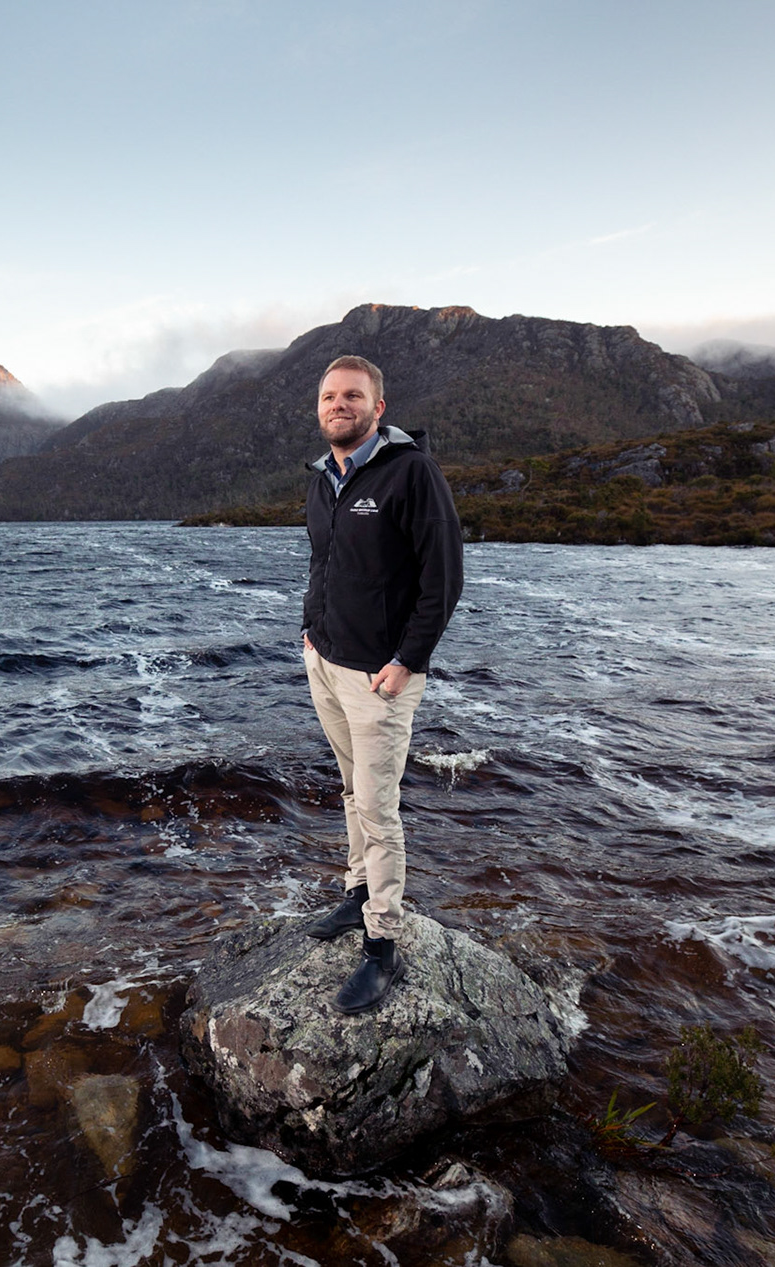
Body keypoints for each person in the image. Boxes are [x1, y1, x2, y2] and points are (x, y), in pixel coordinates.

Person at [300, 354, 464, 1015]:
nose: (339, 404)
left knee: (379, 807)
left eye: (352, 396)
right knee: (350, 791)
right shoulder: (321, 478)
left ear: (378, 406)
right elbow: (325, 562)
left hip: (381, 677)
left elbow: (443, 578)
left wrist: (407, 659)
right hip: (327, 662)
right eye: (329, 396)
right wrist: (310, 630)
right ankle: (359, 892)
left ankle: (382, 947)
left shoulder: (411, 473)